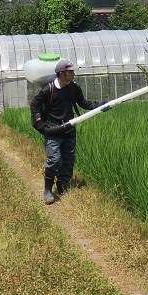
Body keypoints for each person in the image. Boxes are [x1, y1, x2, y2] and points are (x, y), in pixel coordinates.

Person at [30, 58, 105, 204]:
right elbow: (34, 105)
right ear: (62, 73)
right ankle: (47, 189)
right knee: (54, 160)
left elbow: (84, 103)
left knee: (68, 161)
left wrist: (102, 105)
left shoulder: (74, 88)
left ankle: (62, 185)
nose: (73, 73)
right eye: (71, 71)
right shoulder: (49, 89)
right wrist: (40, 123)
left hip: (69, 130)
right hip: (53, 130)